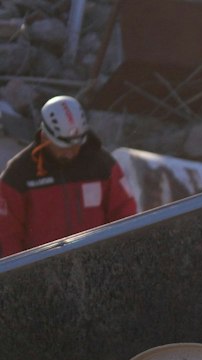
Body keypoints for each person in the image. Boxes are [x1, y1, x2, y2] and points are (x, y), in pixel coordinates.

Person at [0, 96, 137, 257]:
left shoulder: (102, 165)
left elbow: (124, 210)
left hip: (97, 261)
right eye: (64, 147)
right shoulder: (19, 174)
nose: (71, 152)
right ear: (45, 137)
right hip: (43, 269)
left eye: (76, 145)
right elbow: (7, 232)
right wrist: (20, 275)